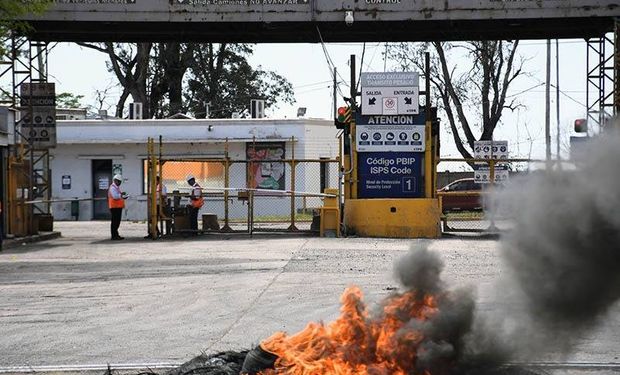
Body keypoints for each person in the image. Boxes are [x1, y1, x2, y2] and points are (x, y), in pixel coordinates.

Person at [108, 174, 128, 240]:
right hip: (114, 207)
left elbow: (118, 195)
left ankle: (116, 235)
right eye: (119, 181)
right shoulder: (113, 187)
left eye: (120, 182)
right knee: (115, 222)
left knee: (117, 222)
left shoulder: (116, 187)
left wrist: (122, 194)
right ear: (115, 180)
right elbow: (115, 196)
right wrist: (121, 195)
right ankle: (114, 236)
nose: (120, 183)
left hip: (117, 207)